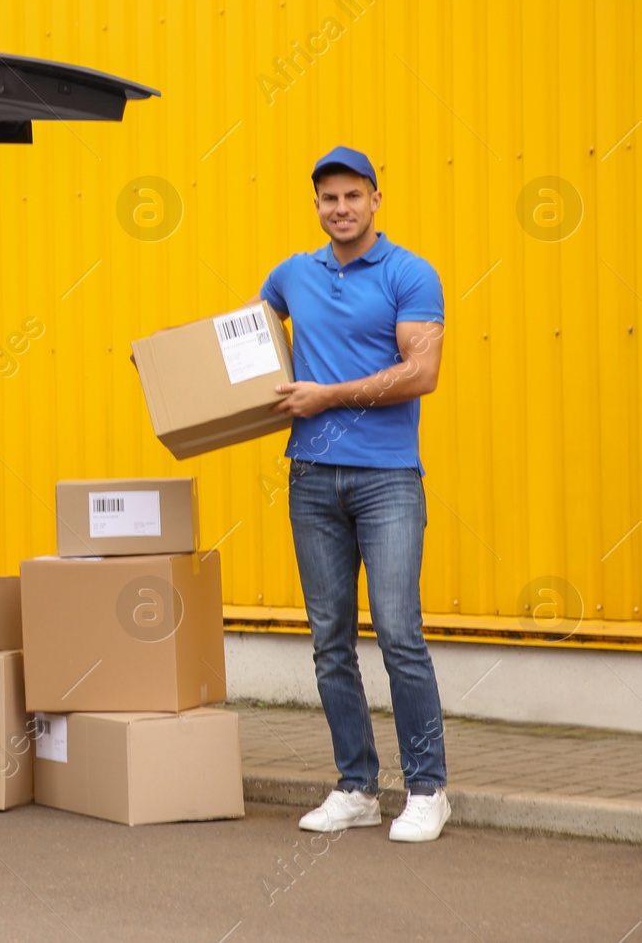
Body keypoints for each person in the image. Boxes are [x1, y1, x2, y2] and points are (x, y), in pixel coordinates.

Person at [250, 146, 450, 842]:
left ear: (375, 199)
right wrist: (168, 361)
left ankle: (426, 788)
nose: (341, 209)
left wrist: (326, 396)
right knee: (330, 640)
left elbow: (420, 372)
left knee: (399, 633)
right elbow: (239, 345)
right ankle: (358, 786)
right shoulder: (291, 274)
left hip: (387, 479)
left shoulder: (409, 272)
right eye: (328, 198)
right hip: (310, 477)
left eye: (353, 196)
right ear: (316, 205)